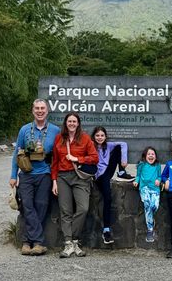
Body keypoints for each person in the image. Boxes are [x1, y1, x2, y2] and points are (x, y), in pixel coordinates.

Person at [9, 99, 60, 256]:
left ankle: (31, 243)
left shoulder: (55, 130)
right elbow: (17, 153)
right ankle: (32, 242)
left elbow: (57, 156)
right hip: (26, 174)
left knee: (41, 206)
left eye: (42, 108)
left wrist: (55, 179)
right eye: (37, 108)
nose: (40, 111)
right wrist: (13, 175)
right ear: (33, 111)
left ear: (47, 111)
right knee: (27, 207)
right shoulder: (25, 130)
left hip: (45, 174)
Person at [51, 113, 99, 258]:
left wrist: (77, 158)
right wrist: (54, 181)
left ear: (78, 124)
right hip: (63, 177)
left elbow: (94, 158)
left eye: (74, 121)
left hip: (79, 177)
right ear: (66, 123)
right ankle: (68, 244)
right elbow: (54, 162)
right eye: (69, 121)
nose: (71, 123)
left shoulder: (84, 138)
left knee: (83, 208)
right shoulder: (59, 139)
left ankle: (75, 240)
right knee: (65, 211)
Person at [91, 126, 134, 245]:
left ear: (105, 137)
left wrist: (124, 160)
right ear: (94, 137)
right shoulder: (91, 145)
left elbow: (123, 144)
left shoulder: (108, 146)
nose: (100, 138)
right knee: (108, 198)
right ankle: (106, 230)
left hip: (107, 172)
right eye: (97, 135)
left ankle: (121, 172)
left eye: (102, 135)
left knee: (118, 148)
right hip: (98, 175)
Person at [133, 146, 162, 243]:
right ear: (145, 156)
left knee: (154, 206)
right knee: (147, 205)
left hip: (155, 189)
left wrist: (158, 180)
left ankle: (151, 220)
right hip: (144, 188)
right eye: (149, 154)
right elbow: (138, 175)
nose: (151, 156)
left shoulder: (157, 165)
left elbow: (159, 175)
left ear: (155, 156)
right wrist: (136, 181)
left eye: (153, 154)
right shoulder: (142, 164)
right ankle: (150, 230)